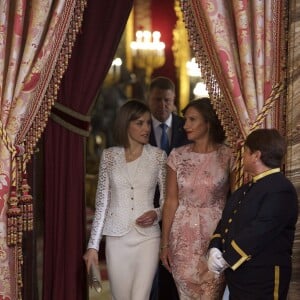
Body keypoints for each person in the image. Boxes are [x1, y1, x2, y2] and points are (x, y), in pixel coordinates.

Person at [83, 100, 167, 300]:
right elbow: (102, 203)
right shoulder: (109, 156)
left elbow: (167, 200)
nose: (146, 128)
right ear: (125, 124)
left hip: (148, 238)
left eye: (148, 123)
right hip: (116, 239)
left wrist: (156, 213)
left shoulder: (158, 156)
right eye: (139, 123)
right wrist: (93, 246)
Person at [207, 128, 299, 300]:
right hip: (240, 276)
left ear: (256, 155)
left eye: (246, 152)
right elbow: (226, 222)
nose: (243, 157)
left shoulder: (281, 188)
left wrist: (227, 258)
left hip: (263, 277)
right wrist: (215, 247)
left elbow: (261, 230)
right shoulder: (245, 189)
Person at [160, 98, 235, 299]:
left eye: (192, 120)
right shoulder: (176, 156)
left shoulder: (229, 156)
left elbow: (236, 200)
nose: (185, 126)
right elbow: (170, 201)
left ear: (208, 122)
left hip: (216, 237)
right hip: (181, 237)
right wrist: (165, 243)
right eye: (185, 120)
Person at [148, 76, 189, 300]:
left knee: (175, 268)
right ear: (149, 99)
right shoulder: (139, 125)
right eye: (157, 100)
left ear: (174, 100)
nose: (162, 105)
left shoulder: (187, 126)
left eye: (167, 100)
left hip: (180, 208)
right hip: (147, 208)